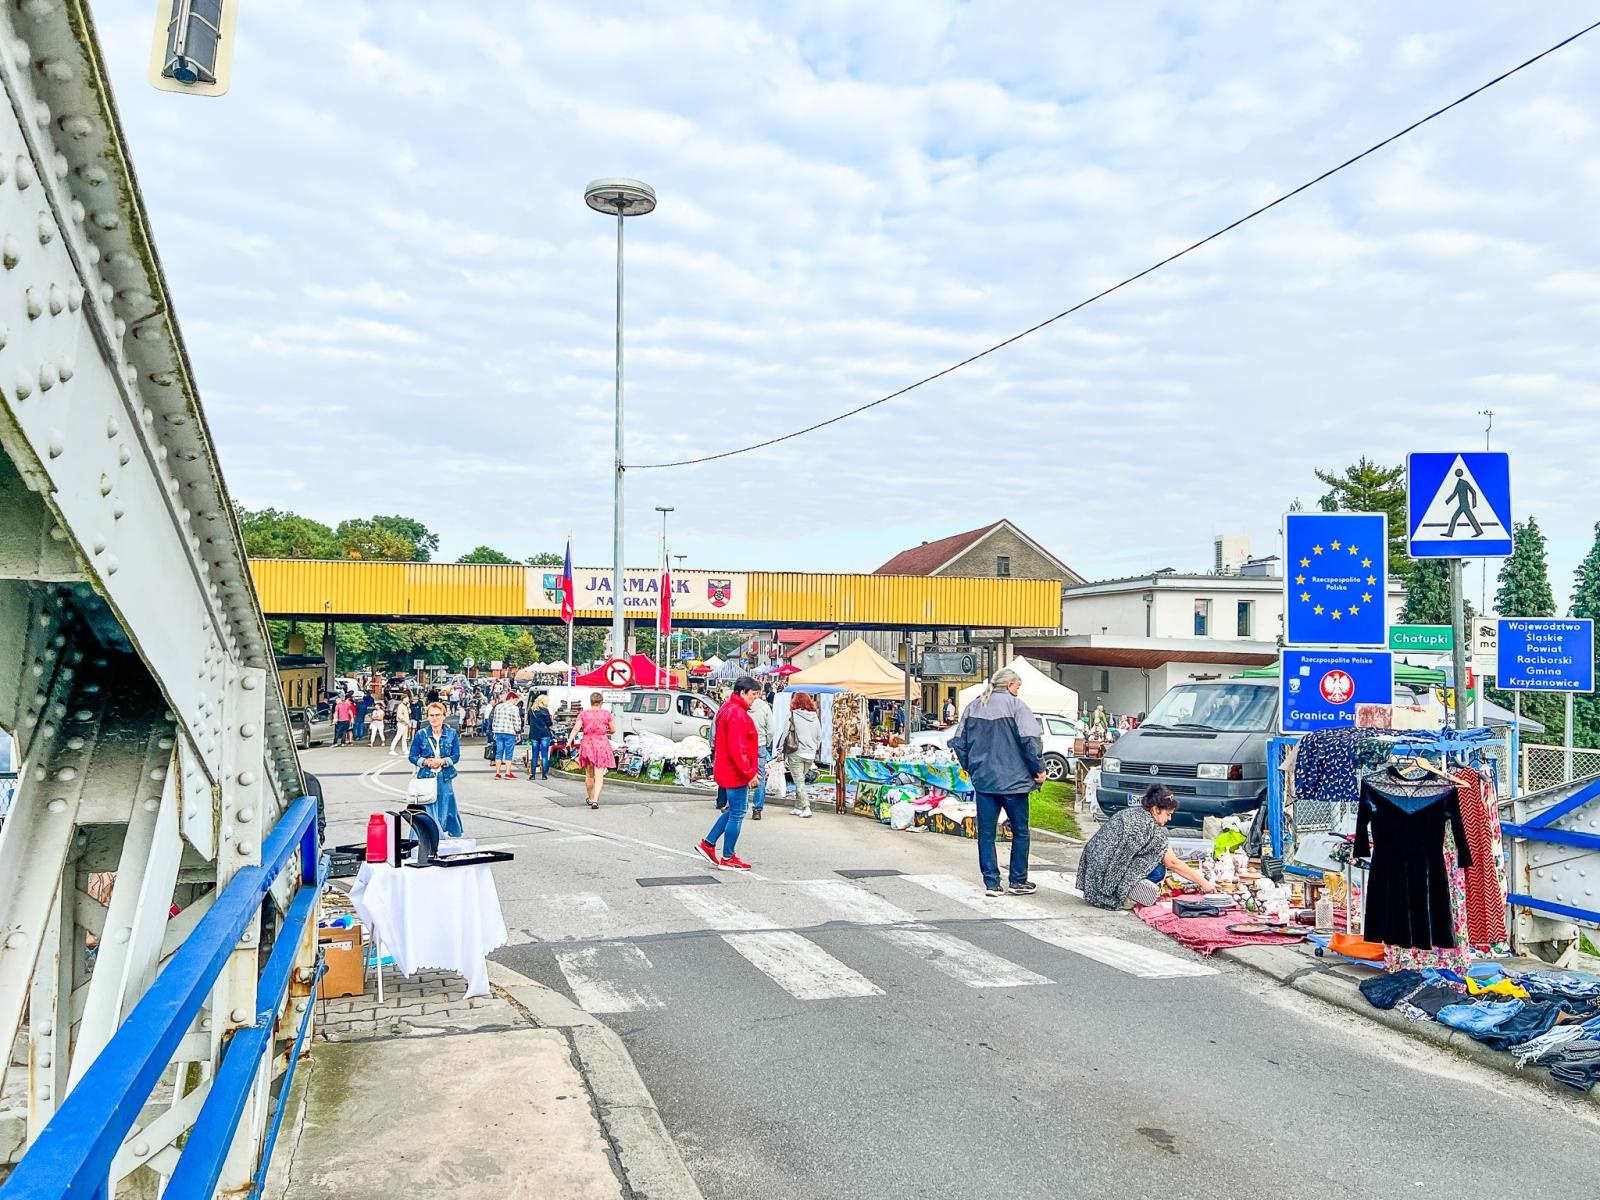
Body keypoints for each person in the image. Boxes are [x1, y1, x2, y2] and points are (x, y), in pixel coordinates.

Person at [949, 667, 1043, 898]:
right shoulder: (1018, 707)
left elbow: (959, 743)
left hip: (984, 782)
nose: (1018, 691)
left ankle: (992, 883)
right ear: (1010, 685)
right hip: (1015, 782)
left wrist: (971, 768)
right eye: (1017, 687)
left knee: (986, 833)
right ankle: (1017, 881)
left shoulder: (973, 706)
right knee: (1020, 831)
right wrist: (1039, 770)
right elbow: (1030, 742)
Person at [1077, 784, 1216, 909]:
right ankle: (1125, 894)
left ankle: (1121, 889)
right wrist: (1204, 883)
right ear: (1155, 810)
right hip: (1105, 883)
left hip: (1091, 876)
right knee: (1159, 870)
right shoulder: (1150, 829)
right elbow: (1173, 862)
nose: (1169, 819)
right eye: (1168, 814)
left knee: (1157, 865)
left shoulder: (1131, 813)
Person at [695, 675, 761, 871]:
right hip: (736, 771)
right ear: (743, 692)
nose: (755, 698)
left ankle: (709, 843)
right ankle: (728, 856)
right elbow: (737, 748)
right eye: (753, 694)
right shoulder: (737, 714)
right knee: (738, 812)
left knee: (733, 809)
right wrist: (750, 773)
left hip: (727, 768)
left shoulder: (727, 709)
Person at [408, 701, 463, 836]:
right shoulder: (421, 734)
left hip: (445, 776)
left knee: (445, 806)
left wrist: (443, 761)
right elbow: (412, 756)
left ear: (444, 716)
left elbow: (456, 756)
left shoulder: (451, 733)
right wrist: (425, 761)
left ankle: (443, 833)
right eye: (431, 715)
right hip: (426, 775)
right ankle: (427, 835)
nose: (434, 718)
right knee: (427, 806)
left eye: (437, 715)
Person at [574, 692, 616, 809]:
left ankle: (591, 797)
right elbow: (613, 729)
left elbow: (576, 729)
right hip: (601, 744)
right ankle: (595, 800)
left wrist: (569, 740)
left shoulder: (583, 714)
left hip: (588, 744)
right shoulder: (606, 714)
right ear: (601, 702)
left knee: (589, 775)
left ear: (590, 701)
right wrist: (604, 731)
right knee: (599, 775)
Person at [785, 691, 822, 818]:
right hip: (810, 754)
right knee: (800, 781)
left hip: (796, 751)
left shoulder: (792, 715)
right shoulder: (815, 717)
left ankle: (806, 807)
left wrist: (779, 751)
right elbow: (819, 737)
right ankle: (798, 807)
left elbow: (785, 733)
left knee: (799, 781)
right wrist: (813, 747)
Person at [747, 688, 775, 820]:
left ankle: (737, 804)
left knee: (742, 775)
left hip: (745, 746)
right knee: (760, 777)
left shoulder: (744, 707)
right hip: (760, 744)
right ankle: (757, 809)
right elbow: (771, 729)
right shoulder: (765, 708)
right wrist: (767, 742)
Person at [490, 690, 523, 780]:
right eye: (515, 700)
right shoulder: (514, 708)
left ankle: (497, 773)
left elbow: (494, 719)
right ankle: (508, 773)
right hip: (509, 732)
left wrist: (494, 731)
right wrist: (518, 731)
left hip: (498, 732)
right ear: (511, 698)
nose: (515, 702)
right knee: (509, 753)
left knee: (499, 752)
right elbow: (516, 721)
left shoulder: (498, 707)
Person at [526, 693, 555, 780]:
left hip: (534, 734)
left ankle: (533, 775)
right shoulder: (545, 711)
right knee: (544, 755)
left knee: (534, 755)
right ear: (543, 701)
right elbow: (549, 723)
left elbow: (529, 723)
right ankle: (544, 775)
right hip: (544, 734)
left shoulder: (531, 711)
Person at [389, 692, 413, 756]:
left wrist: (408, 707)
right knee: (398, 736)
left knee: (404, 738)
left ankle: (405, 750)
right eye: (407, 698)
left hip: (405, 724)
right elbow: (399, 715)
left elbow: (410, 712)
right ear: (404, 698)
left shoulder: (405, 706)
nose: (408, 699)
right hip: (401, 723)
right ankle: (392, 749)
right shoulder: (401, 705)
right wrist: (405, 720)